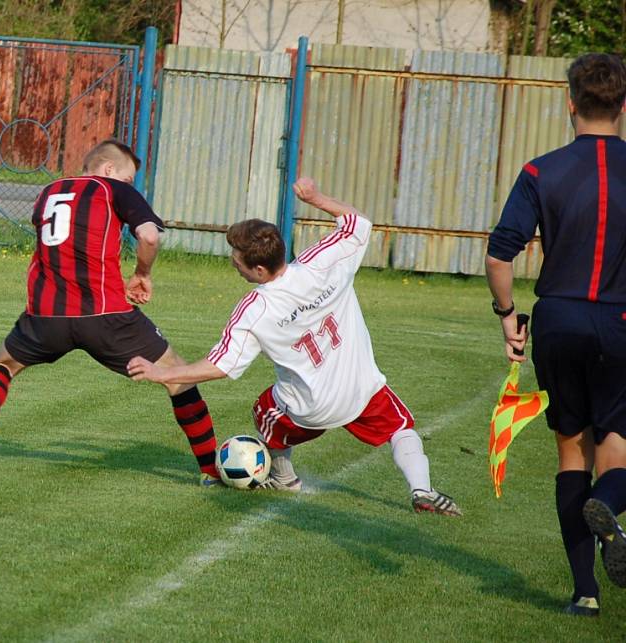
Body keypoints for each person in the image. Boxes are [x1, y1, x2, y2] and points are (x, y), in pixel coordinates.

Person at [127, 176, 461, 516]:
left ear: (258, 269)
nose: (232, 263)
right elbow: (358, 223)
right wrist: (316, 198)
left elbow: (222, 365)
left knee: (265, 409)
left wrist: (160, 372)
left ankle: (285, 479)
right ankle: (423, 489)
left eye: (236, 259)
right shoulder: (322, 263)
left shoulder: (255, 309)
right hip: (362, 391)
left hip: (309, 409)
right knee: (401, 430)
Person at [0, 139, 221, 486]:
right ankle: (210, 471)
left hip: (45, 317)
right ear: (108, 170)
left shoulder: (48, 192)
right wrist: (143, 274)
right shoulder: (112, 188)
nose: (129, 186)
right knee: (180, 377)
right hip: (106, 315)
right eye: (128, 179)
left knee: (2, 365)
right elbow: (149, 237)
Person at [486, 53, 626, 617]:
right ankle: (606, 502)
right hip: (621, 321)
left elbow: (500, 255)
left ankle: (585, 593)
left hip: (559, 320)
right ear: (623, 106)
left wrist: (507, 314)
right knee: (615, 446)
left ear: (570, 103)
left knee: (572, 448)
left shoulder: (541, 170)